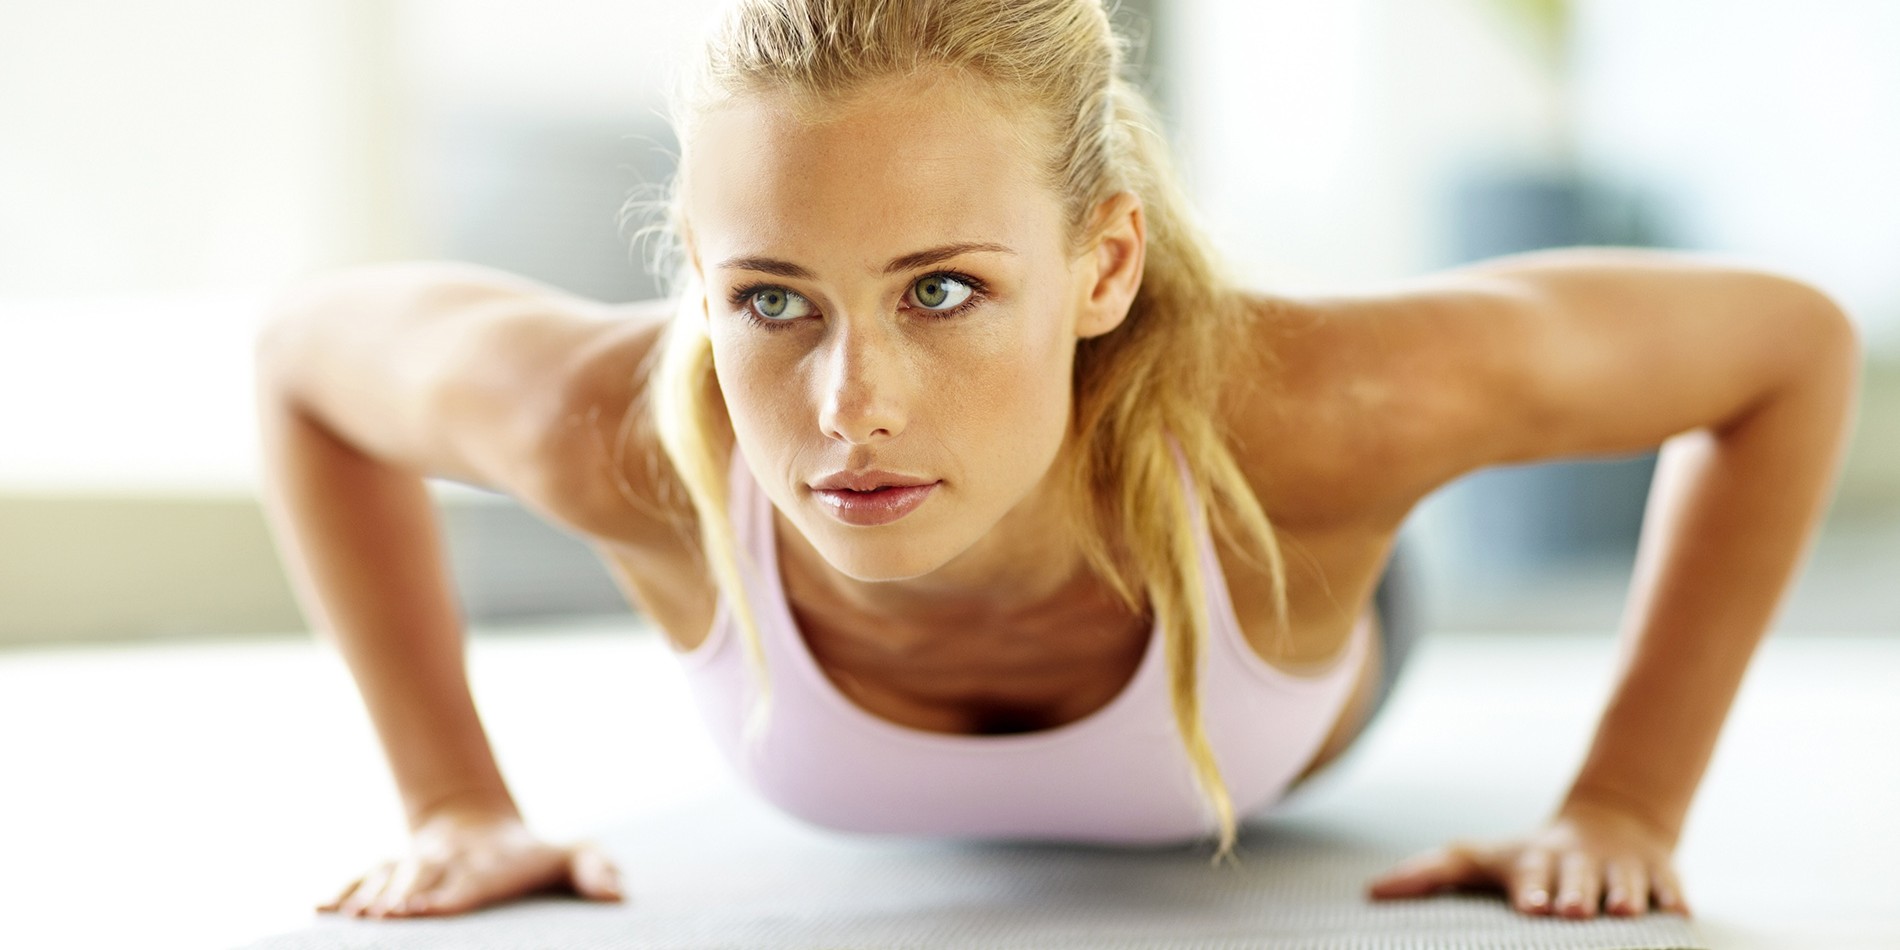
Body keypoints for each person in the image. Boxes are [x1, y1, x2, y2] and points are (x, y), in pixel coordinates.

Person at [254, 0, 1860, 927]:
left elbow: (1785, 346)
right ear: (693, 269)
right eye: (771, 299)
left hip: (1257, 566)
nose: (848, 405)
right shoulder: (610, 428)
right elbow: (304, 363)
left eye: (942, 289)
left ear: (1102, 267)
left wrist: (1631, 801)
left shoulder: (1321, 410)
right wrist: (452, 795)